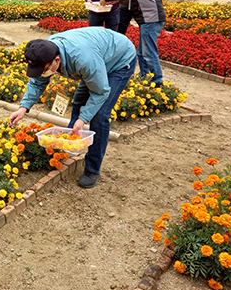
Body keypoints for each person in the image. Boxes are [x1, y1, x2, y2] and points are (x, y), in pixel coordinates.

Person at [8, 27, 136, 189]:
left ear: (57, 61)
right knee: (79, 100)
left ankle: (92, 169)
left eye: (45, 69)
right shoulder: (45, 50)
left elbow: (101, 91)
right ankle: (71, 143)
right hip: (97, 56)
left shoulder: (83, 60)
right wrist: (23, 108)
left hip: (119, 60)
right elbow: (37, 81)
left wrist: (83, 119)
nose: (44, 73)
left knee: (100, 115)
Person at [101, 0, 166, 87]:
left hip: (150, 18)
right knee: (142, 52)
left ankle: (156, 81)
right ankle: (145, 76)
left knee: (148, 52)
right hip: (151, 17)